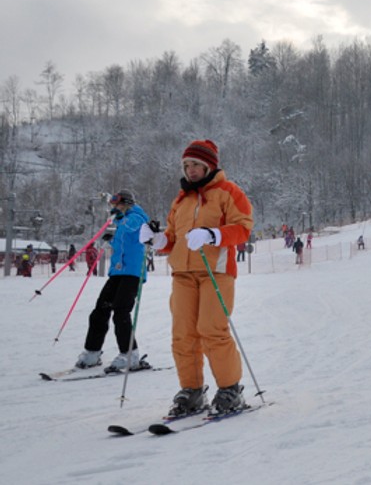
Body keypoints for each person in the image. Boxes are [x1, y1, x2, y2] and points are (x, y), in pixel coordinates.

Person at [140, 139, 254, 418]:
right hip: (182, 274)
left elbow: (243, 228)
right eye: (187, 165)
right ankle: (191, 390)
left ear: (209, 165)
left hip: (216, 271)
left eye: (196, 165)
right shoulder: (181, 199)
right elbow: (173, 239)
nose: (190, 170)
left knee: (212, 329)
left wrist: (213, 235)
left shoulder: (228, 192)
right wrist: (156, 240)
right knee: (183, 334)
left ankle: (230, 389)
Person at [75, 190, 151, 371]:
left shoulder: (137, 216)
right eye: (113, 205)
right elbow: (123, 243)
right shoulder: (123, 219)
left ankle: (130, 353)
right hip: (117, 272)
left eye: (116, 205)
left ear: (126, 203)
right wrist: (111, 240)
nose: (114, 208)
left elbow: (131, 226)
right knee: (100, 309)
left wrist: (117, 219)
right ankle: (92, 351)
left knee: (121, 311)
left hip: (132, 272)